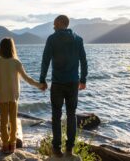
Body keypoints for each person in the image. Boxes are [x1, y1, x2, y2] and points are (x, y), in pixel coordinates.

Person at [39, 15, 88, 157]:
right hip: (73, 83)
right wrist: (83, 79)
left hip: (58, 83)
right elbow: (84, 61)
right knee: (71, 115)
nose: (53, 27)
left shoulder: (52, 39)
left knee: (56, 115)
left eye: (55, 25)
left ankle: (56, 148)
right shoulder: (78, 40)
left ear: (61, 23)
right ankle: (69, 148)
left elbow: (45, 60)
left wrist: (42, 79)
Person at [0, 38, 43, 154]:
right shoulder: (16, 62)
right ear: (12, 48)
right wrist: (39, 85)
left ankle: (4, 144)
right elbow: (27, 79)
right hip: (13, 96)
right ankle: (12, 144)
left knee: (3, 120)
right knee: (13, 120)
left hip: (2, 96)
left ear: (0, 49)